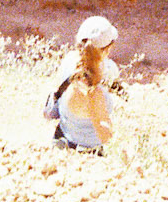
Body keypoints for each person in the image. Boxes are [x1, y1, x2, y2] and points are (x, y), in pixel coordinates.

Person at [50, 17, 118, 151]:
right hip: (86, 152)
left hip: (62, 139)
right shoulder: (94, 90)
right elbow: (105, 134)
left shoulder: (68, 61)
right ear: (107, 50)